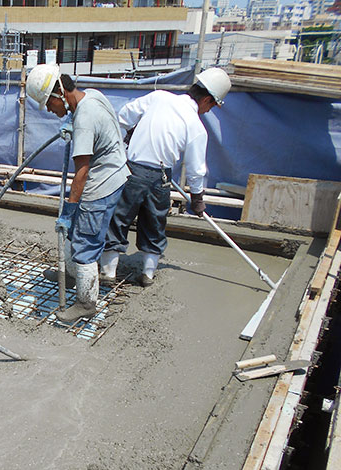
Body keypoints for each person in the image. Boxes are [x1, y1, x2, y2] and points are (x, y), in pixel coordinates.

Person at [101, 67, 232, 287]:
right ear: (207, 99)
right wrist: (197, 198)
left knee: (117, 220)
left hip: (131, 172)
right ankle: (148, 275)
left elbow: (123, 116)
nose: (209, 111)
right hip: (160, 179)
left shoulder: (158, 97)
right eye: (211, 106)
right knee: (154, 224)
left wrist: (128, 133)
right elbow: (196, 169)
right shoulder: (196, 126)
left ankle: (108, 273)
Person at [26, 64, 130, 323]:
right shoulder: (91, 96)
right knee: (76, 232)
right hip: (115, 172)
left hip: (101, 183)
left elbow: (81, 170)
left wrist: (70, 210)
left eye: (50, 105)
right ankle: (73, 276)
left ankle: (86, 303)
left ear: (59, 94)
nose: (50, 111)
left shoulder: (84, 120)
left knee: (85, 241)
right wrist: (70, 119)